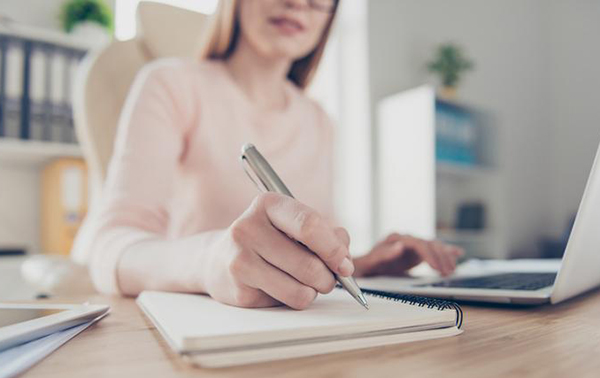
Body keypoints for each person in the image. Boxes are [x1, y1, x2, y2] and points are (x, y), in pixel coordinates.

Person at [82, 0, 463, 310]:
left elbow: (307, 253)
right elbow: (109, 246)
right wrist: (211, 260)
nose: (299, 3)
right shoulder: (170, 83)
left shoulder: (318, 120)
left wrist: (362, 264)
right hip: (196, 327)